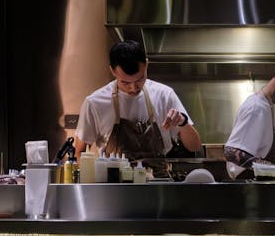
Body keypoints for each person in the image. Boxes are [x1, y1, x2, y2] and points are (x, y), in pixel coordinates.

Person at [75, 40, 202, 174]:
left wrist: (183, 122)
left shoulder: (164, 95)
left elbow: (194, 146)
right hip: (115, 187)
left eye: (140, 79)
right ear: (112, 71)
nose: (133, 88)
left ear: (146, 65)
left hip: (158, 185)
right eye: (125, 82)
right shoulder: (95, 102)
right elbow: (79, 154)